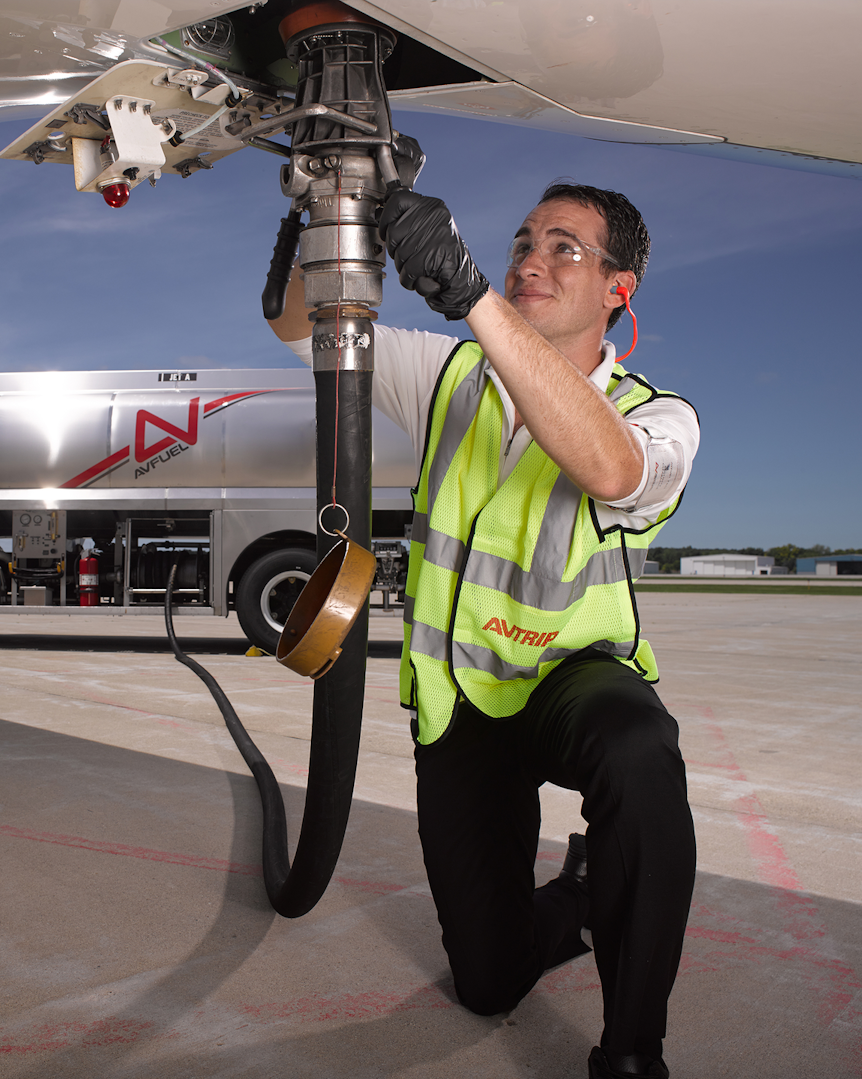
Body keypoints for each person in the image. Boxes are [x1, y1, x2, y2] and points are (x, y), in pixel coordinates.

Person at [268, 179, 699, 1079]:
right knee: (488, 983)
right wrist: (338, 208)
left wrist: (476, 300)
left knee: (640, 753)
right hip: (462, 695)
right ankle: (577, 899)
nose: (531, 259)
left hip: (570, 677)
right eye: (523, 241)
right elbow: (299, 325)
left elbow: (611, 469)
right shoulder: (448, 376)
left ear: (620, 289)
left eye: (565, 247)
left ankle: (632, 1053)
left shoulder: (659, 417)